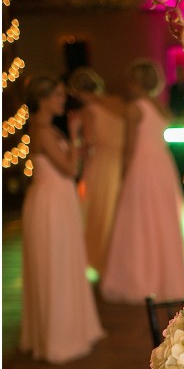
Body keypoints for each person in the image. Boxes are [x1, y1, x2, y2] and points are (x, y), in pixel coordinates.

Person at [19, 74, 105, 363]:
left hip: (59, 201)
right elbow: (70, 168)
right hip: (50, 206)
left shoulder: (46, 128)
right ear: (42, 99)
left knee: (65, 263)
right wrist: (76, 132)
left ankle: (70, 328)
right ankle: (57, 337)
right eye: (56, 95)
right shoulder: (43, 129)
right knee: (54, 265)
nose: (62, 99)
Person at [101, 59, 184, 303]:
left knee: (139, 221)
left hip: (142, 167)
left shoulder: (135, 107)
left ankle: (141, 279)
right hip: (162, 166)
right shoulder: (160, 107)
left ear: (135, 82)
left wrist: (123, 173)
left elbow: (129, 146)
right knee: (162, 220)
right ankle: (167, 279)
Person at [67, 66, 127, 275]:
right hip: (121, 163)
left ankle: (101, 262)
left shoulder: (88, 110)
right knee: (117, 211)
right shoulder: (118, 103)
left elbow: (90, 142)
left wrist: (75, 136)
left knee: (98, 212)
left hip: (100, 164)